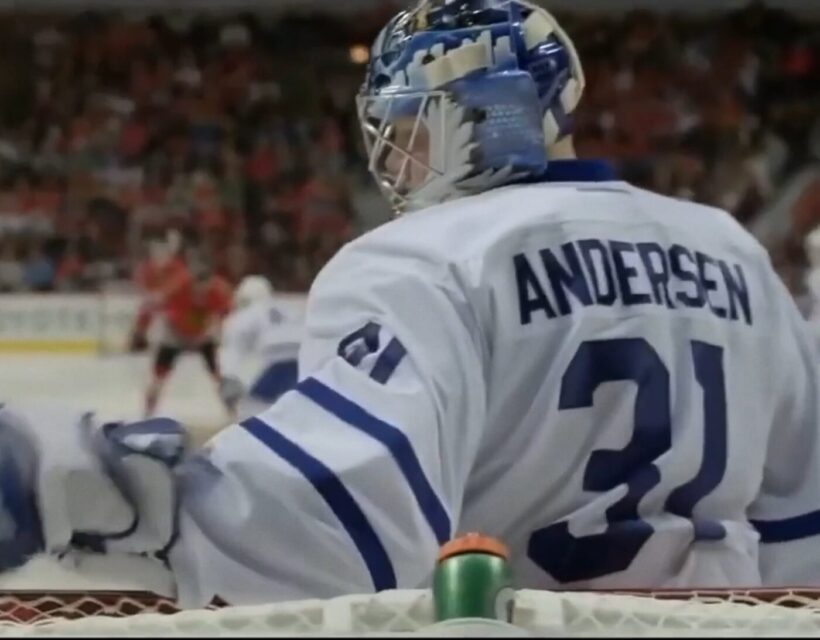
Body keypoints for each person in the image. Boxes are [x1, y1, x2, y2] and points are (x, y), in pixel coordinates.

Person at [1, 0, 820, 609]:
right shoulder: (732, 251)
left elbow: (329, 528)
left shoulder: (425, 259)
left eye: (414, 128)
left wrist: (86, 484)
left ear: (496, 114)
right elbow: (802, 523)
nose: (394, 160)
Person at [143, 255, 233, 417]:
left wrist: (214, 330)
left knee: (217, 373)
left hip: (202, 333)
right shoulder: (177, 287)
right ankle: (148, 412)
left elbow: (226, 314)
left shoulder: (219, 292)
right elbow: (157, 303)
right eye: (197, 289)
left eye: (205, 288)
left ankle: (232, 409)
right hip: (175, 333)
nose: (200, 293)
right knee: (159, 374)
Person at [218, 275, 303, 420]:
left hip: (274, 366)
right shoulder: (290, 307)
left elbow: (233, 346)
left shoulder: (247, 313)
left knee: (251, 415)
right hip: (304, 364)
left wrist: (229, 377)